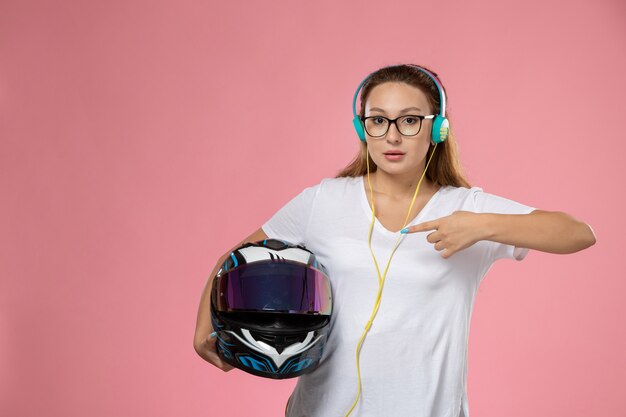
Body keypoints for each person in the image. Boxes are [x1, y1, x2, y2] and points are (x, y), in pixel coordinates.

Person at [193, 64, 596, 417]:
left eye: (409, 120)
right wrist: (204, 329)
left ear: (438, 128)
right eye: (378, 120)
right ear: (362, 128)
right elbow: (238, 259)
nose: (392, 136)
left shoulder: (467, 207)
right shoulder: (324, 200)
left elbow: (577, 233)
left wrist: (481, 225)